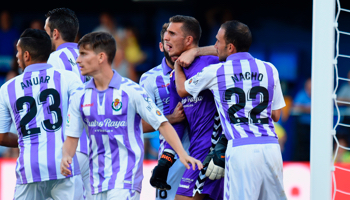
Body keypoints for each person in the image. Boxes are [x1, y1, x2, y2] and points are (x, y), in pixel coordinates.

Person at [60, 32, 202, 200]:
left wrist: (182, 154)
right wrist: (66, 156)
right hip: (94, 182)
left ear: (101, 57)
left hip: (125, 181)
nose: (77, 60)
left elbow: (162, 124)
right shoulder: (79, 95)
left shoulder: (131, 90)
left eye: (83, 54)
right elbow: (71, 137)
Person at [174, 20, 287, 200]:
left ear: (231, 47)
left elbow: (181, 89)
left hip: (241, 150)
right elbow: (276, 114)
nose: (215, 46)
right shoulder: (269, 68)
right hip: (271, 148)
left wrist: (178, 65)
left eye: (218, 41)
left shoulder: (216, 71)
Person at [0, 28, 84, 199]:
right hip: (64, 165)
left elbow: (1, 137)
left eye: (18, 51)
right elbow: (85, 112)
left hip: (30, 168)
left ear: (26, 55)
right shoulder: (68, 78)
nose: (16, 56)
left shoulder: (7, 88)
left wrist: (28, 140)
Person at [152, 15, 224, 200]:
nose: (166, 37)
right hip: (196, 151)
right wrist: (165, 161)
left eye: (172, 33)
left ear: (188, 40)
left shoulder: (211, 63)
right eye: (166, 33)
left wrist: (197, 51)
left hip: (214, 152)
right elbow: (179, 120)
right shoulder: (176, 74)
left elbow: (235, 49)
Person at [44, 7, 91, 199]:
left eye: (45, 32)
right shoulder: (91, 56)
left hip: (65, 151)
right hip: (92, 148)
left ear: (55, 33)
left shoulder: (50, 60)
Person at [292, 78, 311, 161]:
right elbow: (295, 107)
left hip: (317, 127)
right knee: (302, 148)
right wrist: (307, 109)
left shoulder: (320, 95)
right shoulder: (302, 95)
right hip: (303, 126)